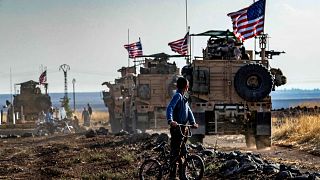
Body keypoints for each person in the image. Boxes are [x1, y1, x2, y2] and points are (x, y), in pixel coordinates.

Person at [166, 77, 198, 179]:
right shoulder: (177, 96)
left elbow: (189, 111)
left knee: (183, 151)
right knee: (175, 152)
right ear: (186, 86)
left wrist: (193, 122)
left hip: (184, 128)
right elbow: (170, 108)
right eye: (188, 85)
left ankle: (182, 175)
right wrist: (171, 121)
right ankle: (172, 175)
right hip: (177, 128)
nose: (188, 87)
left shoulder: (184, 98)